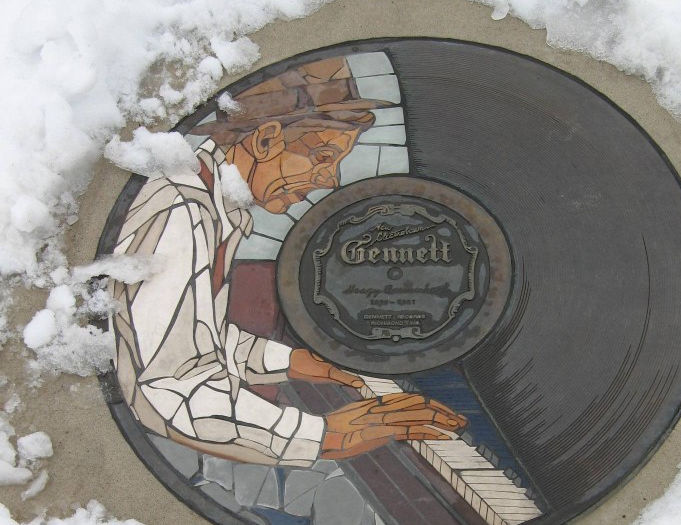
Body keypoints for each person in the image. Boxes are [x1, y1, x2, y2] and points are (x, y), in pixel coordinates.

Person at [110, 56, 465, 467]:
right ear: (265, 140)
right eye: (322, 157)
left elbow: (197, 340)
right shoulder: (179, 210)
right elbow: (167, 385)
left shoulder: (215, 207)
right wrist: (323, 436)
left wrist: (300, 362)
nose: (330, 180)